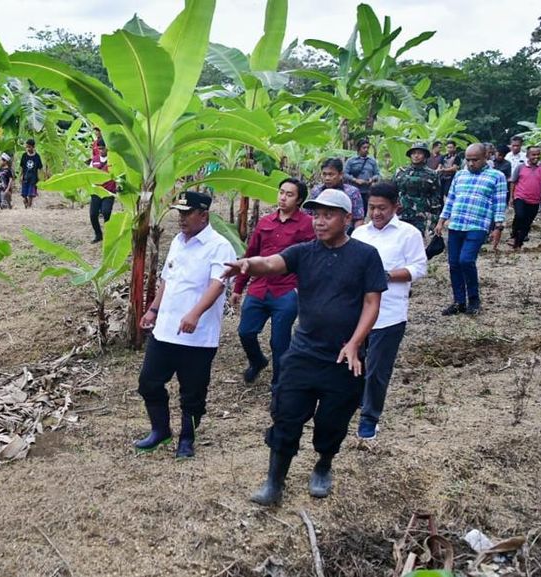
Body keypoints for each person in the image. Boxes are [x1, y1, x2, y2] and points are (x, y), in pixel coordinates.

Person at [223, 189, 386, 504]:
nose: (319, 222)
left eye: (328, 215)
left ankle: (323, 465)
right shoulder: (303, 252)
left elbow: (372, 303)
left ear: (347, 218)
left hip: (343, 357)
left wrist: (355, 343)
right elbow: (271, 264)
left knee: (332, 421)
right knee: (286, 415)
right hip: (303, 353)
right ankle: (274, 482)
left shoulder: (366, 256)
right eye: (316, 215)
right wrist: (247, 264)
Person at [134, 191, 236, 459]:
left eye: (187, 213)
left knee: (192, 394)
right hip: (166, 329)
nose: (181, 218)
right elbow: (168, 278)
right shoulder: (178, 241)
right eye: (179, 213)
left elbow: (218, 283)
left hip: (197, 336)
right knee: (149, 382)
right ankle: (160, 430)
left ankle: (187, 439)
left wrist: (195, 313)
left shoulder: (219, 245)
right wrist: (153, 309)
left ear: (204, 215)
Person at [351, 182, 427, 439]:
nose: (376, 213)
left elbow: (418, 268)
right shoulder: (360, 234)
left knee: (378, 370)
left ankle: (369, 419)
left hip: (390, 313)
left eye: (382, 208)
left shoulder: (409, 234)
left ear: (396, 206)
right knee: (355, 362)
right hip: (358, 312)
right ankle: (358, 402)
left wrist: (385, 276)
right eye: (372, 207)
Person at [232, 178, 315, 387]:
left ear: (299, 200)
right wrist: (238, 287)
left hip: (286, 290)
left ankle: (279, 385)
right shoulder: (265, 222)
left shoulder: (307, 225)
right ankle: (257, 361)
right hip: (259, 287)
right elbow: (250, 254)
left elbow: (311, 259)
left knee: (279, 342)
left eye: (289, 194)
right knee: (246, 332)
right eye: (281, 192)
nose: (283, 198)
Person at [435, 143, 506, 315]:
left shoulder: (497, 176)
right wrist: (441, 220)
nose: (471, 163)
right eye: (468, 160)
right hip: (457, 224)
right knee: (453, 264)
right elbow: (451, 199)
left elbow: (499, 203)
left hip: (478, 225)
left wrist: (498, 227)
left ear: (485, 157)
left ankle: (474, 299)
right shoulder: (459, 175)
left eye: (475, 160)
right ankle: (459, 302)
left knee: (466, 260)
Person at [393, 141, 442, 236]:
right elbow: (392, 191)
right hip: (400, 213)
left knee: (416, 242)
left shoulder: (432, 175)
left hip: (420, 215)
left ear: (425, 156)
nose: (416, 156)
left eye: (419, 153)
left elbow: (435, 198)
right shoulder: (400, 172)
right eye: (414, 153)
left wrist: (434, 221)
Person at [509, 146, 541, 249]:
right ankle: (514, 234)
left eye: (538, 154)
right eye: (533, 155)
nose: (536, 157)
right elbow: (513, 182)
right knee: (520, 215)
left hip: (535, 199)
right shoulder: (520, 167)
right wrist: (511, 197)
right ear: (527, 156)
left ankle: (518, 243)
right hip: (520, 196)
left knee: (528, 222)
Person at [307, 158, 364, 228]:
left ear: (340, 175)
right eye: (324, 174)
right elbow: (308, 214)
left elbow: (358, 218)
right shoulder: (316, 191)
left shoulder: (352, 192)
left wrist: (355, 236)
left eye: (331, 174)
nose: (327, 178)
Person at [89, 141, 115, 243]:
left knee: (106, 212)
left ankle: (108, 234)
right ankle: (98, 234)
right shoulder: (94, 160)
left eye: (102, 148)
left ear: (107, 148)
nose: (101, 151)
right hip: (96, 191)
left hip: (109, 191)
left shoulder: (113, 161)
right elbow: (89, 174)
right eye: (99, 149)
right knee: (93, 214)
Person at [19, 138, 43, 209]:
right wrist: (20, 176)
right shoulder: (24, 156)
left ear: (33, 147)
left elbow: (40, 168)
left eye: (29, 147)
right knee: (24, 195)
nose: (28, 148)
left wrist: (40, 178)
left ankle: (29, 207)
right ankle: (26, 203)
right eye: (27, 147)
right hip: (25, 177)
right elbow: (22, 167)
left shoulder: (37, 157)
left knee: (31, 194)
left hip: (33, 178)